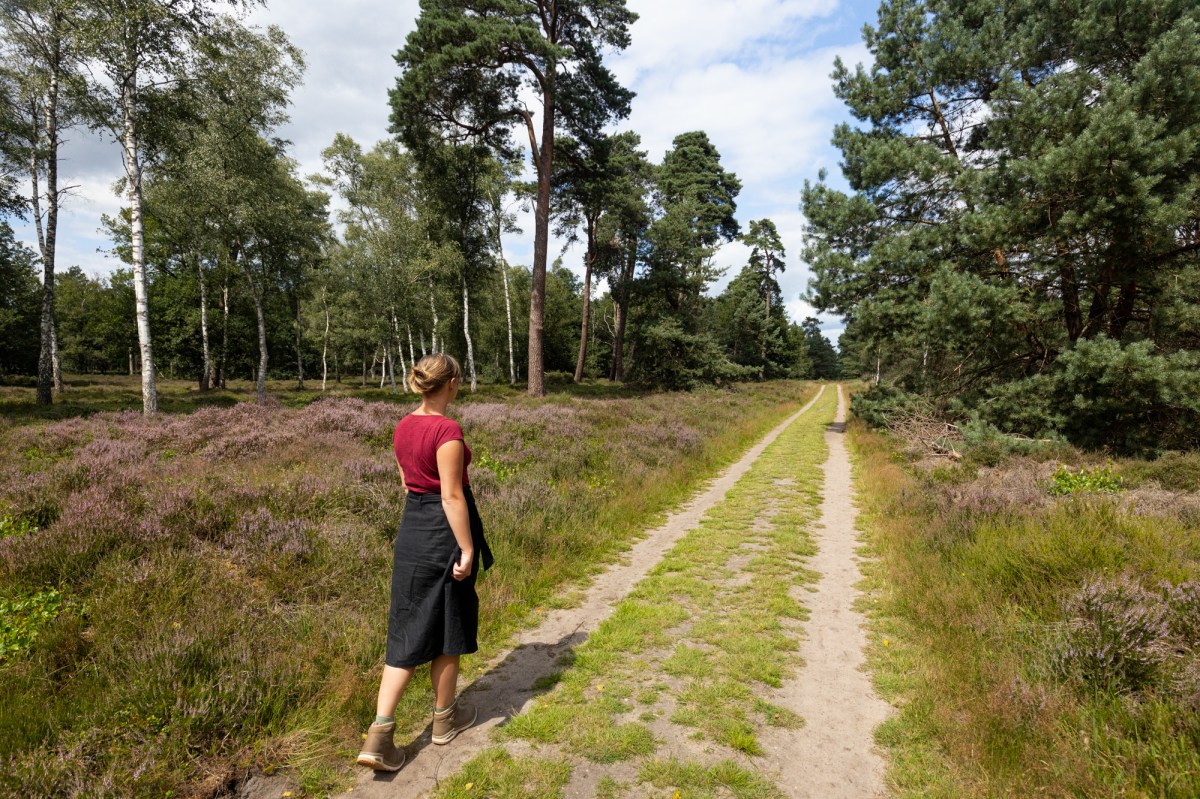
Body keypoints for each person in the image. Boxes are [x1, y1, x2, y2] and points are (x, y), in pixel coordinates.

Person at [357, 353, 494, 772]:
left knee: (408, 624)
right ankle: (443, 721)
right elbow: (452, 496)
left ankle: (379, 736)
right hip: (444, 529)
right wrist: (467, 549)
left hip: (412, 529)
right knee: (448, 623)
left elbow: (406, 481)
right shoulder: (446, 429)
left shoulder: (404, 425)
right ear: (450, 383)